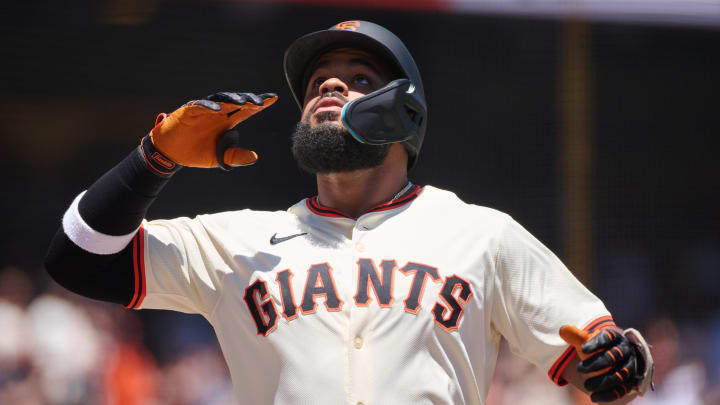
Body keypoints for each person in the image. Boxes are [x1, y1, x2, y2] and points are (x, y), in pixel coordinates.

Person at [45, 20, 653, 405]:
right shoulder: (238, 242)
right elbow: (76, 260)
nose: (329, 89)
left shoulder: (480, 233)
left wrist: (622, 363)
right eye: (318, 84)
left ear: (406, 116)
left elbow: (605, 363)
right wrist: (154, 159)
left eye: (359, 79)